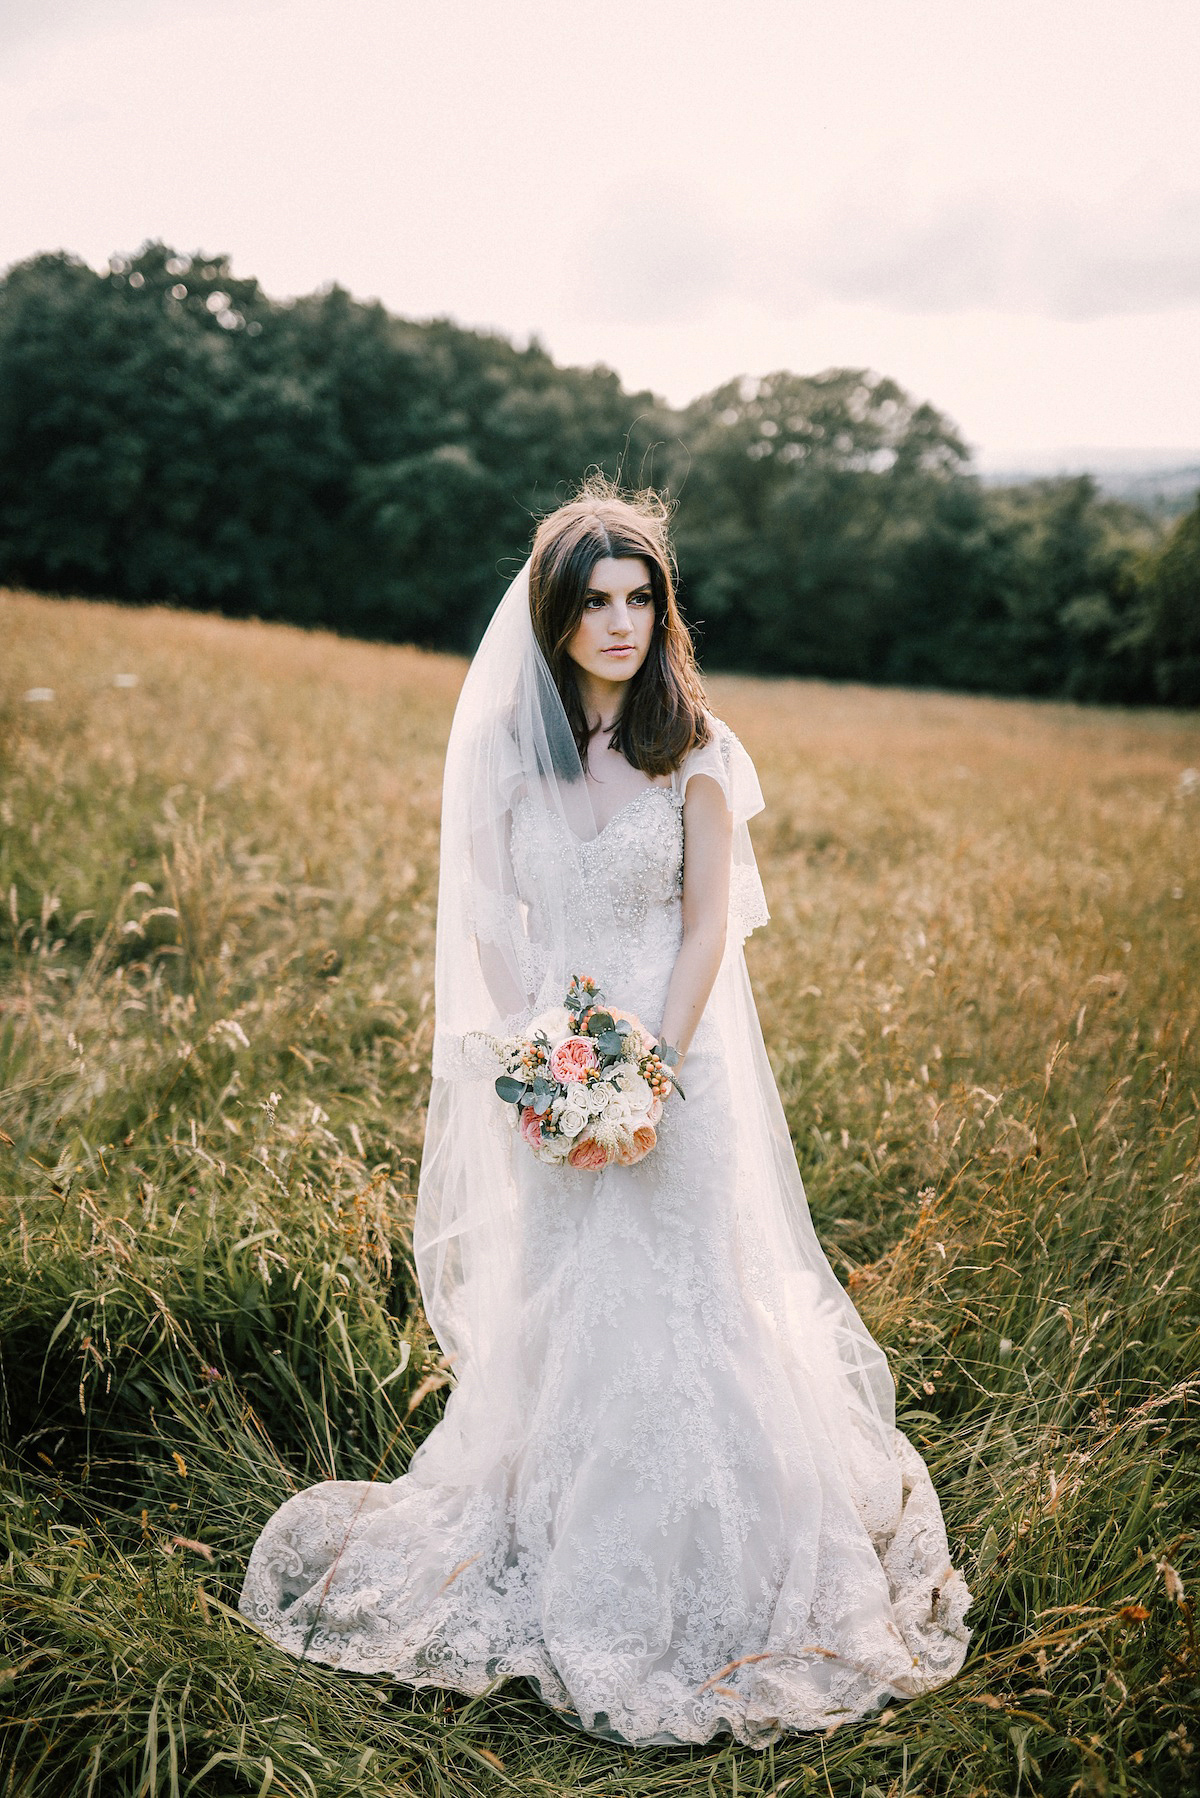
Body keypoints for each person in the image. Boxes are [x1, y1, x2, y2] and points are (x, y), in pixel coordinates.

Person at [239, 478, 971, 1746]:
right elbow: (484, 915)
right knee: (566, 1299)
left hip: (675, 1069)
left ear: (660, 609)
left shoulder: (695, 750)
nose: (622, 624)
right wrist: (545, 1052)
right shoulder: (511, 761)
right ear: (557, 616)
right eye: (597, 603)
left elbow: (705, 928)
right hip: (552, 1074)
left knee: (681, 1297)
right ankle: (555, 1524)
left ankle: (708, 1557)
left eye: (641, 600)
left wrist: (651, 1066)